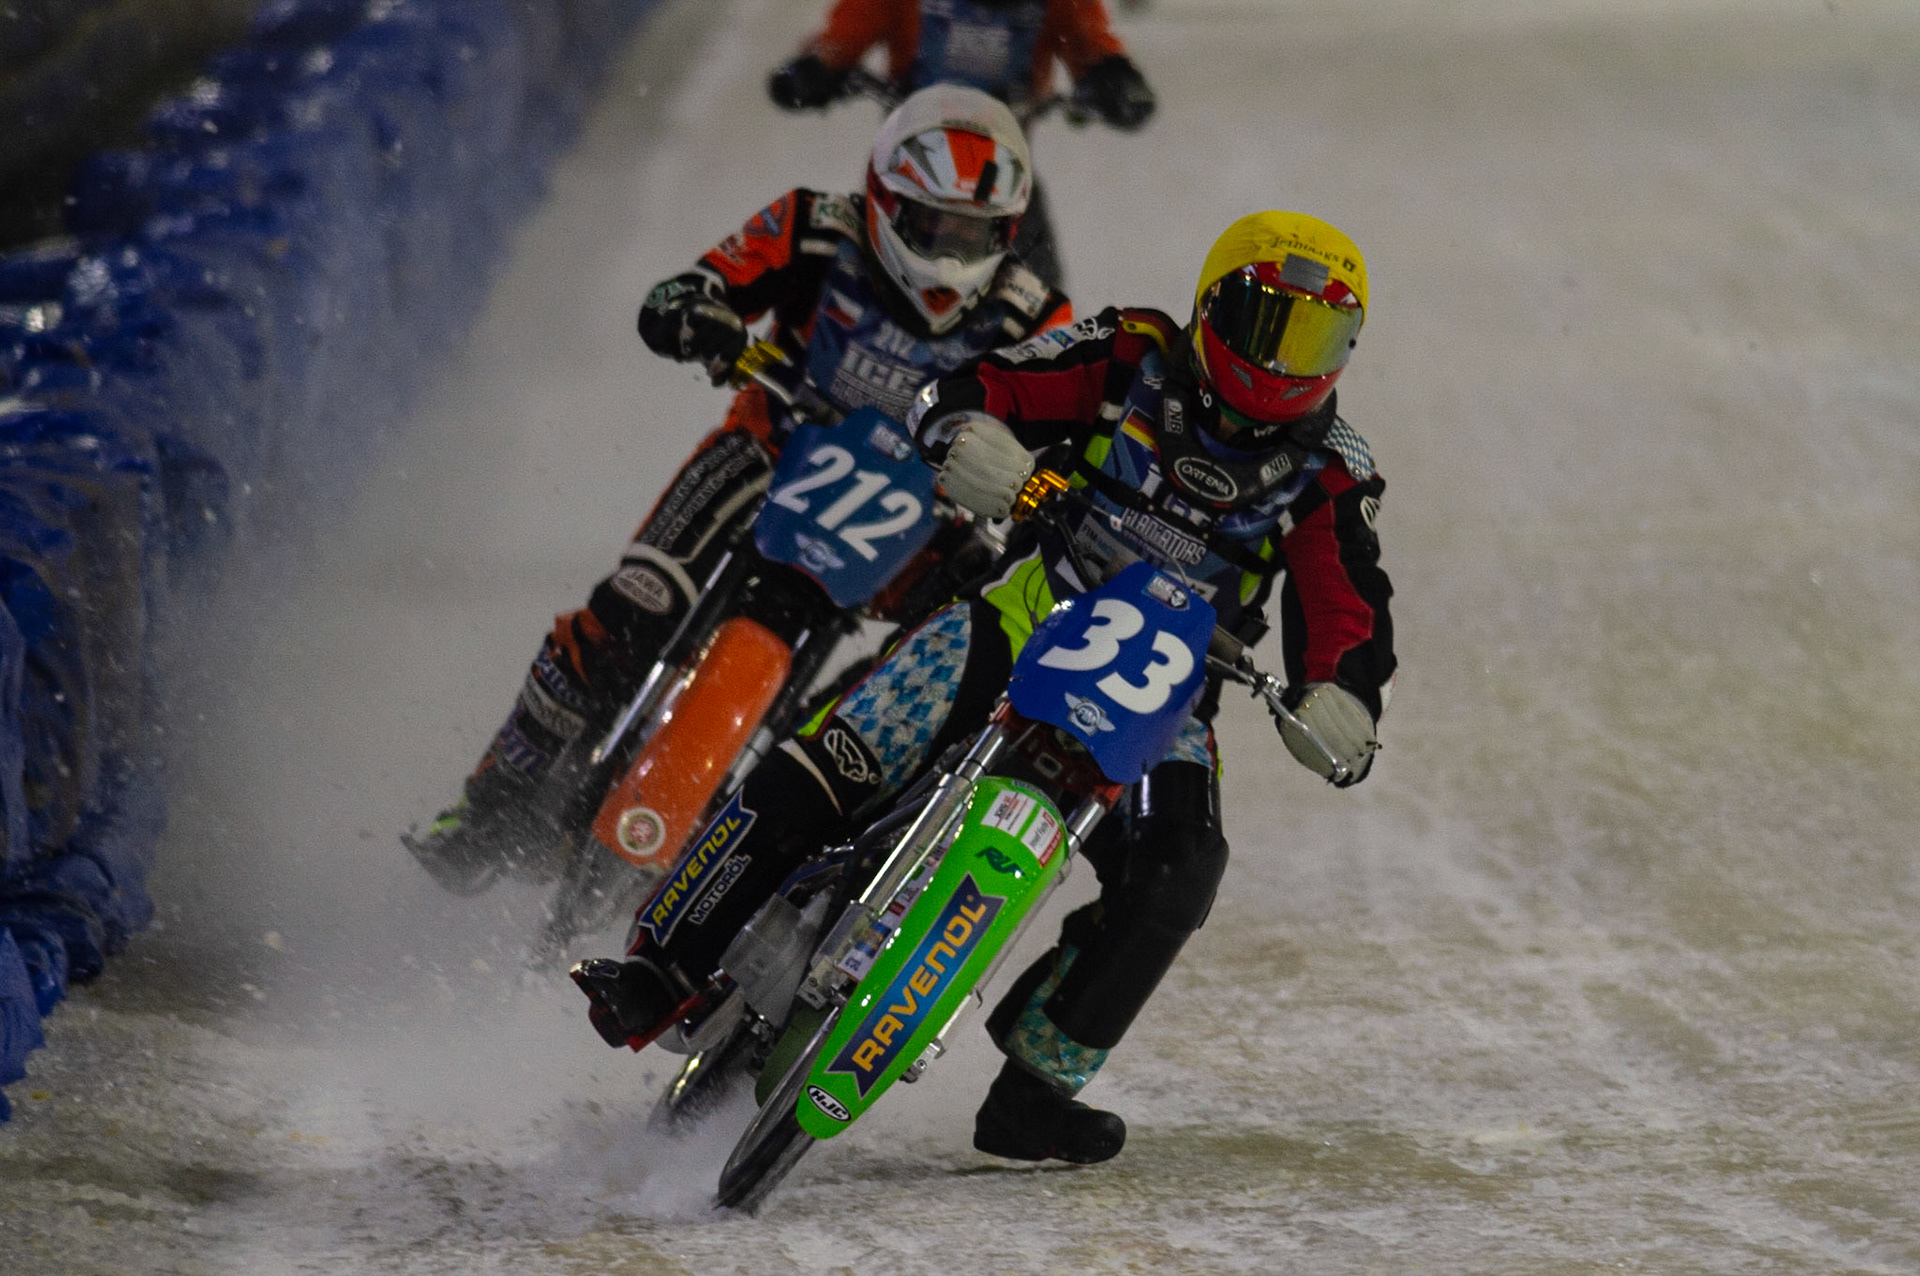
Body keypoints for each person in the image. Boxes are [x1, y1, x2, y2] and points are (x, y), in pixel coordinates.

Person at [573, 210, 1398, 1165]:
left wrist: (1343, 694)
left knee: (1180, 867)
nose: (1287, 362)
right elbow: (977, 388)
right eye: (1269, 327)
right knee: (849, 750)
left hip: (1168, 699)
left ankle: (1036, 1088)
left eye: (1318, 340)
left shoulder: (1335, 472)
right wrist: (970, 433)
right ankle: (663, 959)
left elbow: (1348, 599)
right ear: (1213, 308)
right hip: (1026, 609)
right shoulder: (1131, 353)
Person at [405, 85, 1070, 895]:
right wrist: (701, 317)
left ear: (1011, 232)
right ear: (887, 202)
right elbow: (684, 292)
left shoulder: (1032, 313)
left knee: (973, 640)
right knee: (634, 606)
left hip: (916, 509)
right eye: (935, 225)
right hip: (772, 448)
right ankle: (489, 807)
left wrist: (1056, 489)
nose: (952, 253)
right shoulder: (813, 227)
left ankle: (837, 796)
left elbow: (1072, 417)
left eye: (976, 233)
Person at [767, 0, 1156, 288]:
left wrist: (1114, 76)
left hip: (999, 171)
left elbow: (1093, 44)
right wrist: (817, 68)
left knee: (1042, 301)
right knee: (849, 278)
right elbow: (844, 36)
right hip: (911, 168)